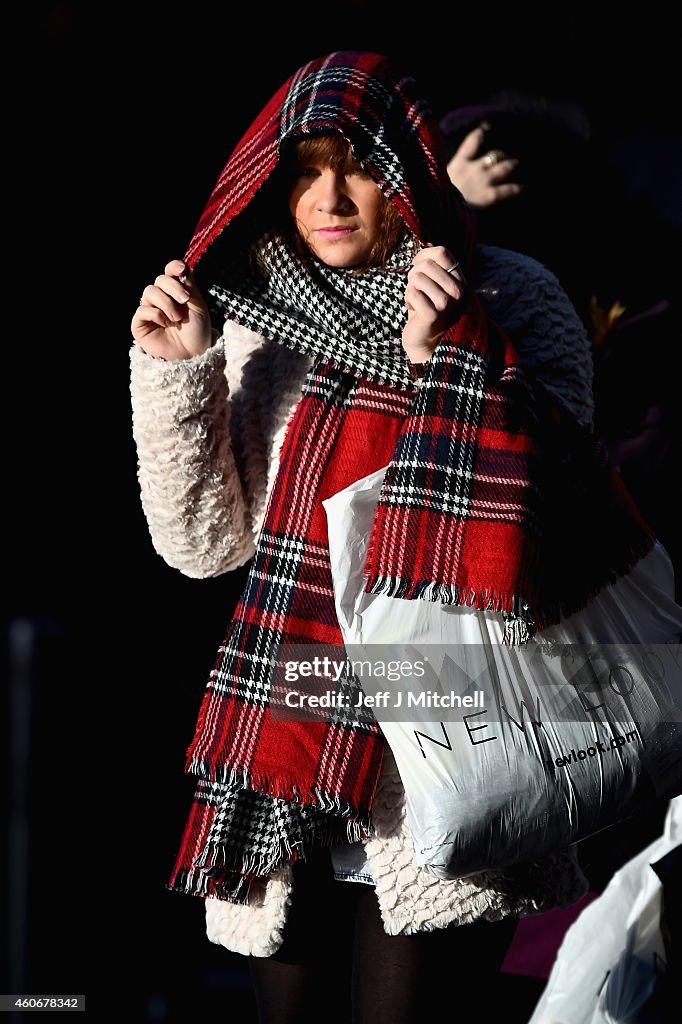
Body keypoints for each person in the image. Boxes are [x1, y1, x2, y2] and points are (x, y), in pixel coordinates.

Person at [129, 52, 678, 1023]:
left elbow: (544, 539)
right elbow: (201, 547)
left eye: (359, 163)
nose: (329, 196)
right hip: (285, 720)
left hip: (454, 726)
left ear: (408, 169)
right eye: (303, 169)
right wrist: (177, 373)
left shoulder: (508, 294)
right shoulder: (255, 317)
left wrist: (446, 370)